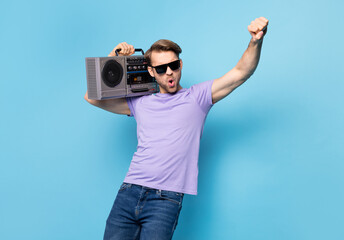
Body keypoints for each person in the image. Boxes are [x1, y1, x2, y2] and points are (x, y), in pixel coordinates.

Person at [84, 17, 269, 240]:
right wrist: (113, 58)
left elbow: (241, 72)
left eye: (174, 65)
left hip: (165, 199)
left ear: (180, 65)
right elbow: (92, 97)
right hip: (129, 191)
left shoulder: (197, 98)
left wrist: (255, 41)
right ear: (151, 72)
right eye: (161, 68)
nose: (169, 72)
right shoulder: (139, 101)